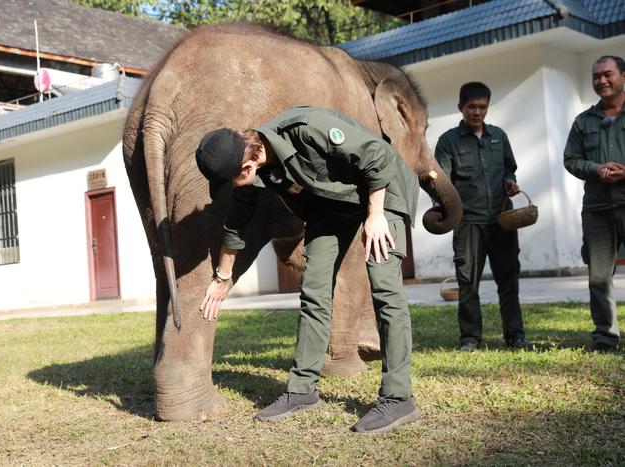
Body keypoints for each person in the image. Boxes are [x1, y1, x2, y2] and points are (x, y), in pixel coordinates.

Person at [195, 105, 422, 433]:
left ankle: (399, 398)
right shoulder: (253, 175)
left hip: (381, 190)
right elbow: (236, 225)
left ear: (245, 163)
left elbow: (375, 157)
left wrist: (375, 216)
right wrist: (222, 278)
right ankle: (302, 390)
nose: (235, 186)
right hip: (332, 208)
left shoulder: (305, 128)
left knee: (384, 286)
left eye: (232, 179)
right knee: (314, 289)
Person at [435, 82, 526, 352]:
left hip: (501, 221)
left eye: (482, 107)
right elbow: (441, 182)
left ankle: (516, 335)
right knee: (468, 283)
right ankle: (470, 338)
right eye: (471, 107)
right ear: (460, 107)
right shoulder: (448, 141)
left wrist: (511, 182)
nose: (477, 112)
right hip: (467, 225)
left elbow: (510, 169)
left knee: (508, 282)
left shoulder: (499, 136)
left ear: (488, 106)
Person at [564, 55, 625, 352]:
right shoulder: (583, 121)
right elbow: (570, 159)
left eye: (608, 74)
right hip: (597, 209)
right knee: (599, 276)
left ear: (623, 76)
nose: (601, 80)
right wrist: (595, 169)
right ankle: (605, 336)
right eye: (596, 76)